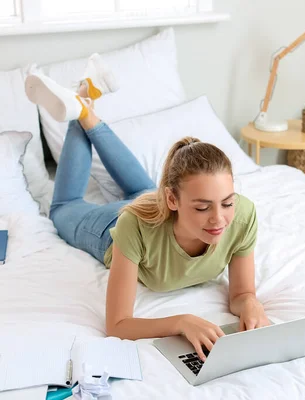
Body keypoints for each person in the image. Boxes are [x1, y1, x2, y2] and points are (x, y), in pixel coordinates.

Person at [25, 56, 269, 360]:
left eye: (227, 202)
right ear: (173, 201)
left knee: (142, 192)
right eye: (203, 207)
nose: (219, 219)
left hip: (155, 205)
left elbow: (242, 294)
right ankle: (81, 108)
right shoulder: (134, 227)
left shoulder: (243, 217)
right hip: (109, 227)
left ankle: (88, 101)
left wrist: (251, 305)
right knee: (63, 208)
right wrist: (182, 322)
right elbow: (118, 325)